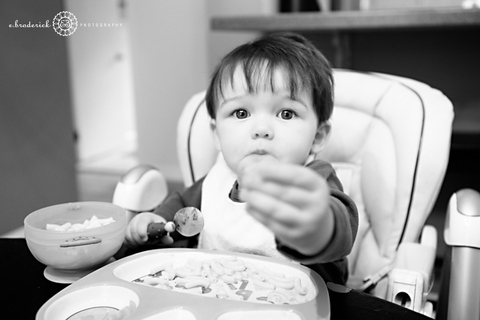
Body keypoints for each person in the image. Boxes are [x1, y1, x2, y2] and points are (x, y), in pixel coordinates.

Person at [125, 32, 358, 284]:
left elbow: (340, 227)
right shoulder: (217, 180)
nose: (261, 129)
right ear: (216, 134)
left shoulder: (314, 180)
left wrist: (318, 225)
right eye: (241, 112)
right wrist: (156, 221)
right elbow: (181, 207)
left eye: (287, 114)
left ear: (317, 136)